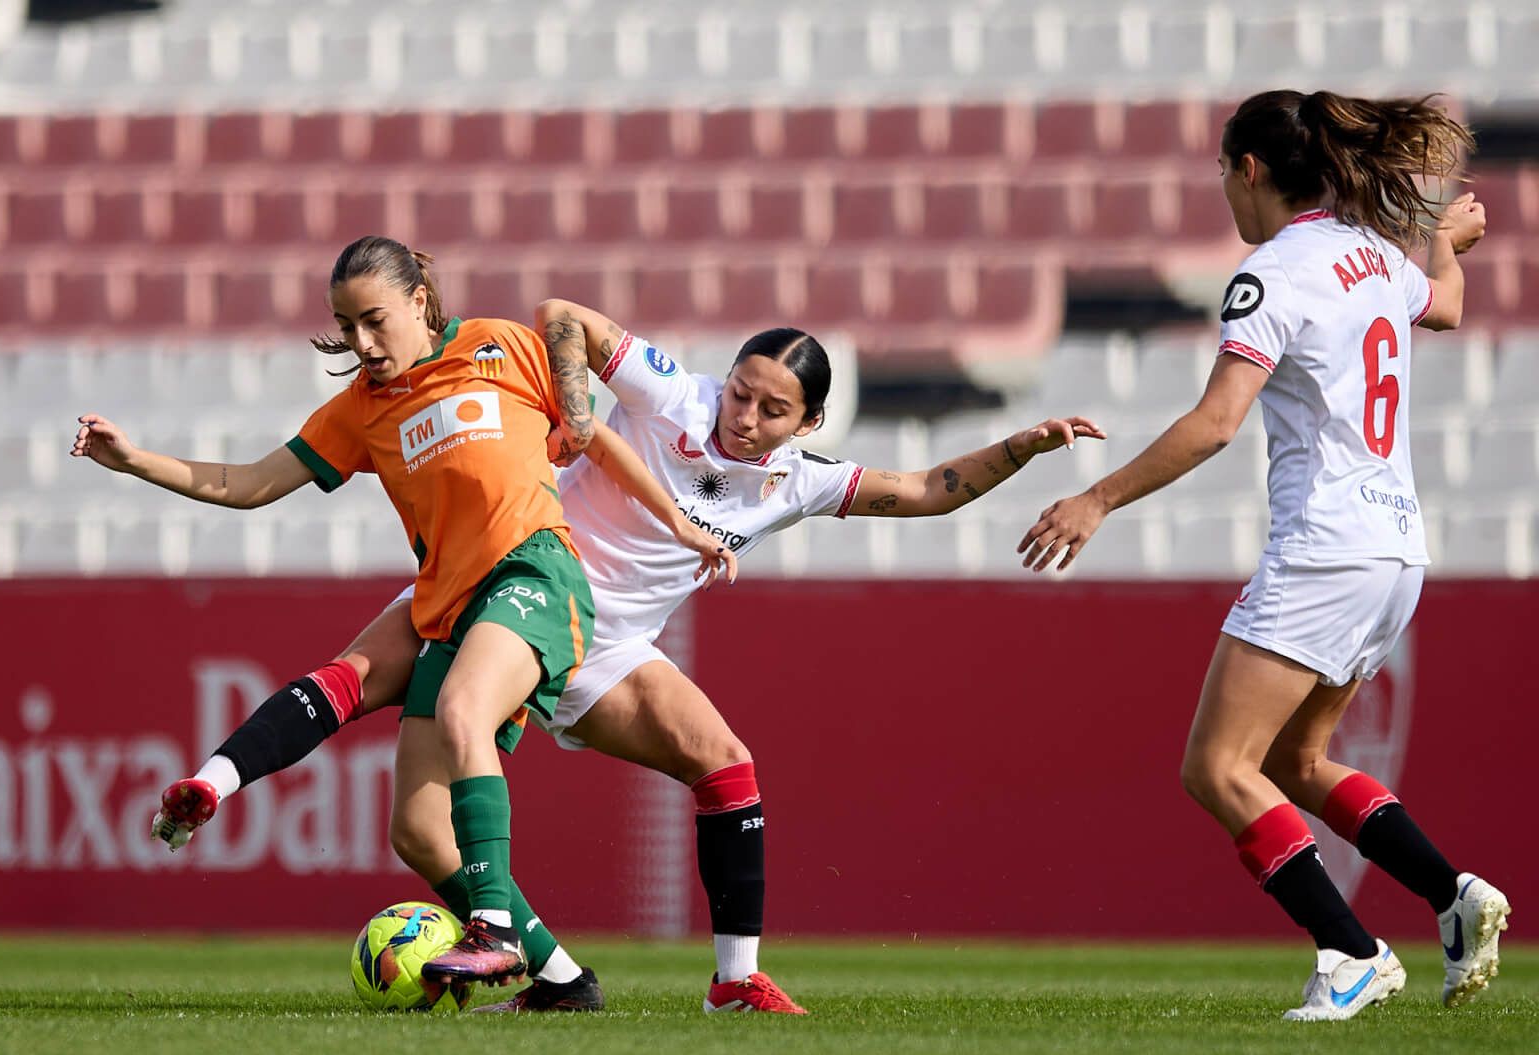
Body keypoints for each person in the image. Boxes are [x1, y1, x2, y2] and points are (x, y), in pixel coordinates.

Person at [144, 297, 1102, 1013]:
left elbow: (930, 488)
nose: (743, 418)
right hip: (502, 576)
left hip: (601, 648)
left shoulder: (797, 484)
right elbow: (564, 317)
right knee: (418, 829)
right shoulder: (670, 389)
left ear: (807, 427)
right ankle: (557, 976)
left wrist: (1025, 445)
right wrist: (576, 404)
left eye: (772, 411)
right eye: (741, 392)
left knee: (725, 765)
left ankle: (735, 983)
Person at [73, 235, 730, 991]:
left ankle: (495, 932)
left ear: (420, 300)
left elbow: (600, 443)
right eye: (346, 326)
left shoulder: (501, 346)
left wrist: (680, 525)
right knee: (417, 831)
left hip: (536, 572)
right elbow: (247, 484)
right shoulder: (361, 408)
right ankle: (561, 981)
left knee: (463, 710)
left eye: (374, 320)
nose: (361, 342)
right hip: (447, 602)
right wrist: (135, 461)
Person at [1016, 90, 1508, 1021]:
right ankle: (1455, 898)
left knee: (1216, 767)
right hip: (1397, 548)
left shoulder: (1272, 271)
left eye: (1222, 173)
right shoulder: (1372, 258)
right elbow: (1440, 305)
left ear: (1249, 171)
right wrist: (1442, 239)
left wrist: (1097, 497)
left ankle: (1351, 950)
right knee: (1298, 760)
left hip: (1325, 547)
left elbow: (1215, 423)